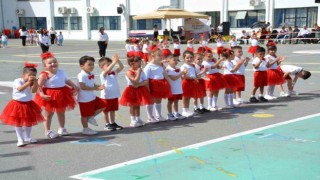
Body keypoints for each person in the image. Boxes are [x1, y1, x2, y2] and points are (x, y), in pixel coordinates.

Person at [34, 52, 78, 139]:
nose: (53, 64)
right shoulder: (44, 74)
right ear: (45, 66)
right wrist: (42, 94)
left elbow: (66, 80)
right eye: (50, 63)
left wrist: (74, 85)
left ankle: (62, 128)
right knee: (49, 114)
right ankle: (47, 131)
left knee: (61, 112)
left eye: (55, 62)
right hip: (50, 96)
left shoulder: (61, 72)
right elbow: (39, 86)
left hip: (62, 93)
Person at [0, 63, 44, 147]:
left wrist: (35, 83)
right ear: (23, 75)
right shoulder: (18, 81)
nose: (31, 76)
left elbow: (34, 91)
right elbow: (20, 89)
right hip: (17, 104)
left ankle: (27, 137)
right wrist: (29, 82)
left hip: (28, 104)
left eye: (34, 75)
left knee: (29, 121)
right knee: (18, 122)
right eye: (29, 75)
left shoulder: (31, 81)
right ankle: (20, 139)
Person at [119, 54, 152, 127]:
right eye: (138, 62)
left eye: (140, 62)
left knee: (138, 105)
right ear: (132, 64)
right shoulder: (128, 72)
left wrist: (139, 84)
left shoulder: (141, 71)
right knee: (132, 105)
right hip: (131, 90)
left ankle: (138, 118)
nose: (140, 64)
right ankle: (132, 120)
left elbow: (146, 81)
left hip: (140, 89)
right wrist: (139, 73)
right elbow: (135, 81)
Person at [77, 55, 106, 135]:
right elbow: (83, 87)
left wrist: (98, 86)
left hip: (91, 97)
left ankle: (90, 117)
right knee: (84, 115)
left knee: (103, 105)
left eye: (92, 64)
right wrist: (95, 89)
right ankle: (85, 129)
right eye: (89, 64)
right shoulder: (82, 75)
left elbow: (93, 84)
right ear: (82, 66)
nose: (92, 66)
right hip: (84, 99)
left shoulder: (91, 73)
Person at [144, 48, 172, 122]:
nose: (161, 57)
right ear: (152, 55)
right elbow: (146, 78)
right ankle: (150, 117)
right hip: (152, 84)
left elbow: (164, 74)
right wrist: (148, 88)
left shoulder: (161, 65)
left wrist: (169, 83)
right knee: (151, 100)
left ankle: (158, 115)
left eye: (161, 55)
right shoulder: (148, 66)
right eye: (159, 55)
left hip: (161, 83)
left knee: (159, 100)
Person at [98, 54, 124, 131]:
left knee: (113, 110)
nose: (111, 66)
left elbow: (121, 67)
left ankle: (112, 122)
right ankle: (107, 124)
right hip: (106, 95)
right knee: (106, 111)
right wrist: (114, 62)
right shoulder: (103, 74)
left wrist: (118, 60)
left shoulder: (114, 73)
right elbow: (107, 70)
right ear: (101, 67)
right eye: (108, 65)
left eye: (111, 64)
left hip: (114, 95)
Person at [180, 50, 205, 117]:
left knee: (188, 97)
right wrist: (191, 78)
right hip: (186, 82)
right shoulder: (184, 66)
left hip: (192, 82)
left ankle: (187, 110)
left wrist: (199, 76)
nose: (189, 59)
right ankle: (184, 110)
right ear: (183, 59)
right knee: (185, 97)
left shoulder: (192, 66)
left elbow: (195, 74)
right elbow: (183, 76)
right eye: (187, 58)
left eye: (191, 58)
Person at [165, 54, 187, 121]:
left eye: (177, 60)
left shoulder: (178, 68)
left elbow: (181, 78)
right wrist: (181, 73)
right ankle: (169, 114)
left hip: (178, 87)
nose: (176, 61)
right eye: (174, 60)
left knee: (176, 101)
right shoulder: (168, 69)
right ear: (168, 61)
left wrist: (184, 74)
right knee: (170, 101)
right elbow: (174, 78)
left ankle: (176, 113)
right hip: (172, 88)